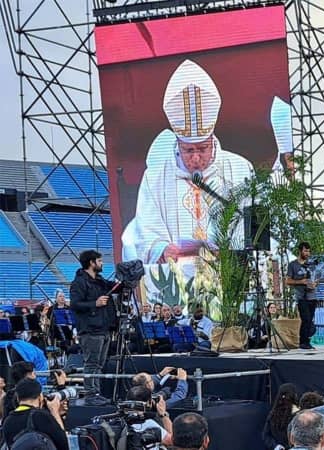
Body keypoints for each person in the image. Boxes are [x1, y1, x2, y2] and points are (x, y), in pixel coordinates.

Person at [121, 59, 254, 266]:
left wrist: (230, 249)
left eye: (202, 149)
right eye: (188, 150)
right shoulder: (155, 176)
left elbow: (256, 227)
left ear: (212, 141)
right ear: (178, 143)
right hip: (177, 278)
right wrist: (162, 249)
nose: (195, 158)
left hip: (229, 273)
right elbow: (145, 229)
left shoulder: (240, 168)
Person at [70, 250, 118, 406]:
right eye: (99, 260)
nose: (102, 263)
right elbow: (75, 304)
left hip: (103, 328)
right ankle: (91, 394)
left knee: (99, 364)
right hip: (90, 330)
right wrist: (94, 304)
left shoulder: (100, 280)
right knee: (91, 363)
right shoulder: (79, 282)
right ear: (91, 262)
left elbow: (115, 287)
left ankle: (97, 392)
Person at [2, 378, 68, 450]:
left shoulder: (7, 421)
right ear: (40, 397)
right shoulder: (41, 416)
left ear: (17, 398)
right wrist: (55, 412)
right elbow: (63, 443)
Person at [286, 242, 318, 350]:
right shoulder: (293, 265)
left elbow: (317, 277)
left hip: (312, 295)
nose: (307, 253)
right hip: (301, 296)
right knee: (306, 318)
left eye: (309, 251)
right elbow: (288, 280)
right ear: (300, 251)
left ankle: (306, 341)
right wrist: (301, 281)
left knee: (310, 320)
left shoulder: (312, 264)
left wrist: (314, 283)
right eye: (305, 251)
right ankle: (303, 341)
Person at [263, 383, 300, 450]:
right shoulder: (299, 415)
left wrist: (276, 446)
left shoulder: (272, 414)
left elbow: (266, 435)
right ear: (294, 396)